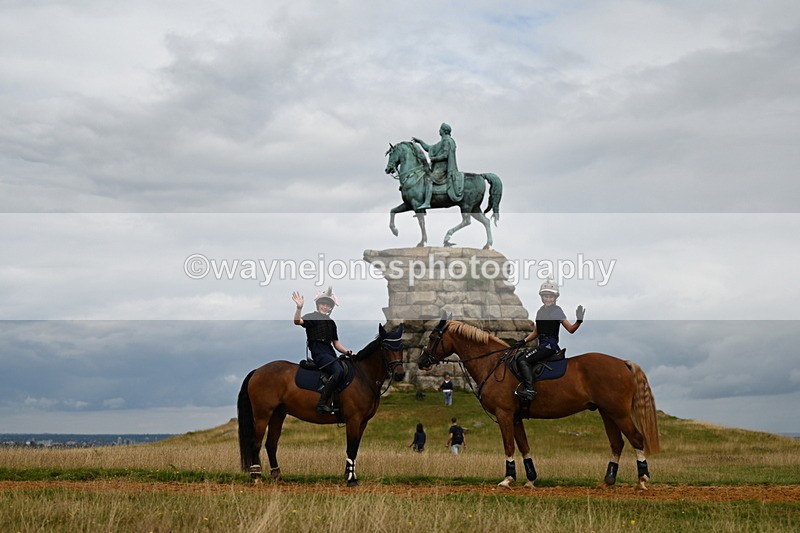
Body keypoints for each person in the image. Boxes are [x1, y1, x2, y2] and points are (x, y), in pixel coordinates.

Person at [513, 279, 585, 403]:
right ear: (541, 297)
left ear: (555, 298)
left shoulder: (557, 311)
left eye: (551, 297)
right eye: (545, 296)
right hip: (541, 345)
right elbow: (536, 332)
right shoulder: (540, 311)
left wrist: (578, 321)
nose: (548, 299)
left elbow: (571, 329)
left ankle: (530, 390)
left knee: (522, 360)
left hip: (549, 346)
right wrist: (523, 341)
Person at [292, 287, 352, 414]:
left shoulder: (331, 323)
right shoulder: (312, 317)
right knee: (338, 371)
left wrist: (347, 352)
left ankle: (338, 402)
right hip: (319, 353)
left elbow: (336, 344)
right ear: (318, 305)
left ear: (331, 308)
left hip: (330, 353)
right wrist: (299, 308)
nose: (325, 307)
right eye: (323, 304)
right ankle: (322, 403)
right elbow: (297, 321)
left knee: (346, 369)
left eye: (328, 305)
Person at [411, 122, 461, 209]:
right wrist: (420, 142)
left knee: (429, 179)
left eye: (440, 129)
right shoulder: (443, 141)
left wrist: (434, 159)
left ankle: (427, 202)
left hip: (443, 169)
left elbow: (445, 155)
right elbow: (429, 148)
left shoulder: (447, 141)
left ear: (444, 131)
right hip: (439, 168)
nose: (439, 130)